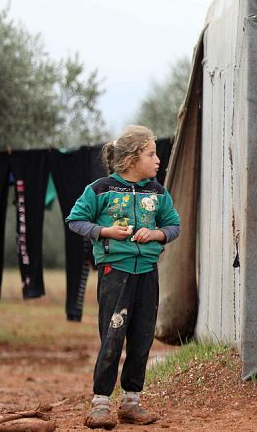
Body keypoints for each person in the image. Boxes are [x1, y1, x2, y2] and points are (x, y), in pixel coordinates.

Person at [66, 125, 180, 429]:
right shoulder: (101, 189)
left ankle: (131, 402)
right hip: (114, 272)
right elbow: (75, 220)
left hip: (148, 274)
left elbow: (173, 226)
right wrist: (105, 232)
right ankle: (100, 404)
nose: (158, 160)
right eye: (151, 154)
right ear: (131, 159)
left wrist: (156, 233)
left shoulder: (157, 192)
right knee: (113, 336)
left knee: (142, 338)